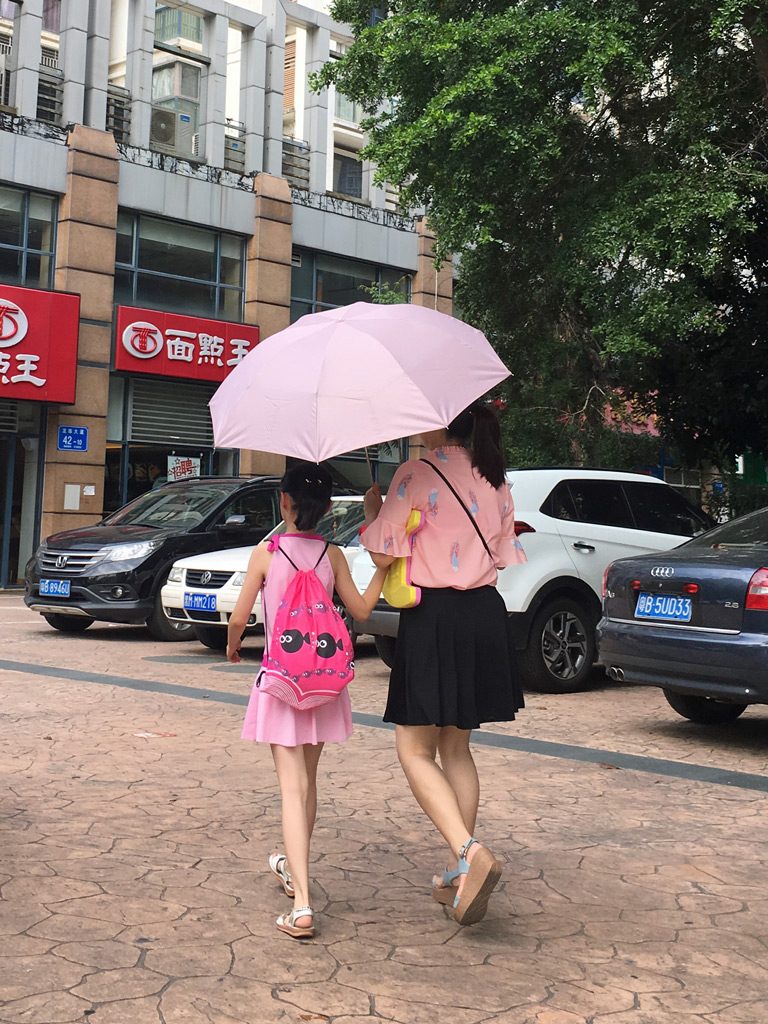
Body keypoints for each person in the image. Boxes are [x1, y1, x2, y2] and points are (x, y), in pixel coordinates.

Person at [361, 402, 526, 926]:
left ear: (441, 423)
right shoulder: (495, 477)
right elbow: (503, 554)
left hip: (433, 616)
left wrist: (373, 511)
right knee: (457, 747)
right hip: (483, 613)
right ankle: (460, 872)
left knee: (413, 748)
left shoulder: (415, 472)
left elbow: (382, 555)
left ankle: (469, 851)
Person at [227, 463, 389, 940]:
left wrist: (234, 646)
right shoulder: (333, 555)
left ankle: (301, 904)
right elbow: (360, 611)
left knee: (291, 789)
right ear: (323, 508)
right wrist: (384, 570)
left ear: (284, 502)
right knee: (307, 785)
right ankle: (292, 871)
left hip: (281, 682)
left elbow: (239, 618)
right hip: (323, 683)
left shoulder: (266, 553)